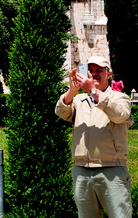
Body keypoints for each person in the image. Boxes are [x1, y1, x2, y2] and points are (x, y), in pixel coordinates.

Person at [55, 55, 132, 218]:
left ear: (108, 73)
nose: (94, 73)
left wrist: (93, 91)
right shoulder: (79, 100)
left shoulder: (120, 98)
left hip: (111, 169)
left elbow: (120, 116)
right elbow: (61, 112)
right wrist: (72, 90)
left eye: (99, 70)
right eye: (90, 70)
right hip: (82, 170)